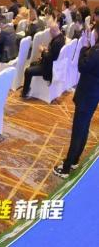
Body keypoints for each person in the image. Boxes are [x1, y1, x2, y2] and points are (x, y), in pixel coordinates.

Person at [54, 31, 99, 177]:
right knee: (84, 128)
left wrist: (84, 48)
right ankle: (75, 160)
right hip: (93, 94)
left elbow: (82, 66)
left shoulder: (96, 51)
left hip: (87, 94)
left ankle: (66, 168)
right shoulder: (95, 50)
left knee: (78, 131)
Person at [22, 19, 66, 98]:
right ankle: (31, 87)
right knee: (32, 64)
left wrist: (42, 51)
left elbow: (50, 57)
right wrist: (46, 50)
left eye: (50, 32)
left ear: (53, 31)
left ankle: (25, 92)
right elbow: (53, 53)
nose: (50, 34)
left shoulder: (57, 42)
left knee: (28, 71)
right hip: (51, 64)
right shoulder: (61, 38)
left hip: (48, 68)